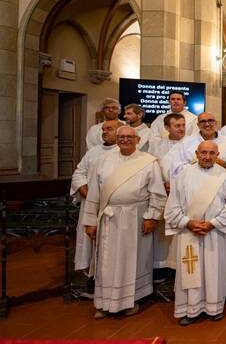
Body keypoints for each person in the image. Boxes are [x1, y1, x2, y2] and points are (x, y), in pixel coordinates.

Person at [82, 126, 166, 318]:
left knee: (132, 260)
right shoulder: (103, 161)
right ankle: (104, 302)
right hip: (109, 219)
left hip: (135, 217)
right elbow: (94, 193)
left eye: (129, 137)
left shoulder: (148, 162)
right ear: (116, 139)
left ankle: (130, 301)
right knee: (107, 261)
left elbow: (157, 193)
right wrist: (90, 221)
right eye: (121, 137)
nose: (125, 140)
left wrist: (152, 217)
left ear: (137, 139)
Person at [164, 141, 226, 325]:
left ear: (217, 154)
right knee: (191, 271)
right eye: (203, 153)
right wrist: (188, 223)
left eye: (212, 153)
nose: (207, 157)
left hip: (215, 233)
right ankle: (191, 309)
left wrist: (212, 224)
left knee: (215, 270)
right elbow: (172, 205)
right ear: (196, 154)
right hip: (190, 232)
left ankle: (214, 308)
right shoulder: (183, 175)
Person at [71, 119, 121, 275]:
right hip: (91, 204)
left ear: (120, 131)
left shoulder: (125, 152)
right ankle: (92, 274)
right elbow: (79, 173)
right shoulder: (93, 152)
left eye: (110, 129)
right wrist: (87, 193)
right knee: (90, 241)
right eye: (104, 129)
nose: (105, 132)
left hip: (113, 207)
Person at [148, 113, 186, 279]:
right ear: (167, 128)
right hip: (162, 191)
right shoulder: (157, 145)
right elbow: (152, 166)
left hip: (184, 194)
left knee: (180, 232)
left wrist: (177, 184)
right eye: (177, 126)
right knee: (162, 232)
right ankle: (161, 265)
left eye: (183, 125)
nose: (181, 129)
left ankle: (178, 265)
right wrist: (161, 184)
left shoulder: (191, 144)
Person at [169, 112, 226, 180]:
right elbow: (176, 167)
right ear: (198, 125)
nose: (207, 124)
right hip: (194, 183)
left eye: (210, 120)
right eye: (203, 121)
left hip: (220, 183)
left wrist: (218, 162)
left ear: (216, 123)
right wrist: (199, 165)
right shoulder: (186, 143)